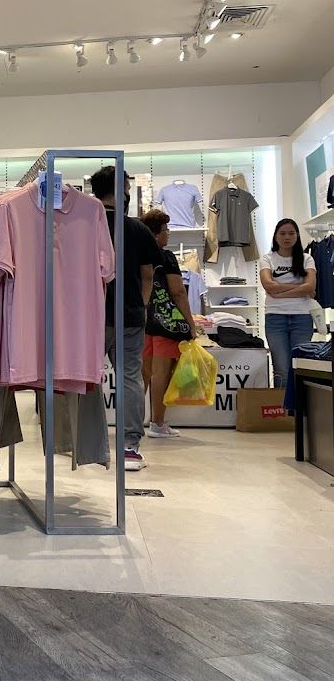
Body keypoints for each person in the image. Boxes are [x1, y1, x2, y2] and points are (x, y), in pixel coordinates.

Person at [80, 166, 162, 471]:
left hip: (90, 317)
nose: (129, 192)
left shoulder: (84, 225)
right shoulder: (137, 229)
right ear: (120, 188)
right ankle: (129, 448)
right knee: (129, 379)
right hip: (128, 316)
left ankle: (86, 444)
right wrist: (139, 307)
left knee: (85, 378)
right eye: (126, 186)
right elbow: (147, 277)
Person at [140, 209, 197, 438]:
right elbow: (178, 293)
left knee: (143, 373)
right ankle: (158, 423)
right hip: (165, 323)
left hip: (143, 320)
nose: (168, 234)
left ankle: (132, 422)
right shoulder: (166, 257)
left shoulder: (136, 254)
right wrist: (191, 324)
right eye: (166, 230)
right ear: (157, 233)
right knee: (161, 375)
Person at [259, 218, 317, 388]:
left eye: (291, 233)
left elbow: (310, 287)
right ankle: (282, 412)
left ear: (297, 236)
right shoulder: (267, 259)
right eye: (282, 233)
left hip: (303, 318)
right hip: (275, 319)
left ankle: (299, 411)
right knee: (281, 368)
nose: (287, 237)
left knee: (299, 366)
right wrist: (299, 287)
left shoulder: (307, 259)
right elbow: (268, 285)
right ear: (276, 236)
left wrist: (279, 291)